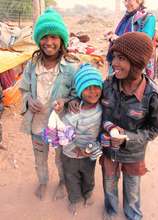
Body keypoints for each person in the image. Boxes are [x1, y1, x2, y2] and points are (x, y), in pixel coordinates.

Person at [100, 32, 158, 220]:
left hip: (133, 153)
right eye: (114, 57)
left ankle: (133, 215)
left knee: (132, 188)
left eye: (121, 58)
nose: (114, 63)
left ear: (137, 63)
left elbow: (155, 128)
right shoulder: (109, 84)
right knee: (109, 183)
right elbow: (96, 108)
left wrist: (127, 138)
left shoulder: (152, 95)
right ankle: (110, 211)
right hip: (108, 150)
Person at [19, 8, 79, 200]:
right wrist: (29, 99)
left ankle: (62, 182)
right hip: (37, 124)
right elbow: (24, 90)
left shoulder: (71, 68)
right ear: (38, 40)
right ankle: (43, 181)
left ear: (61, 40)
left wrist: (66, 101)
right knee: (40, 158)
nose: (48, 42)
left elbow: (77, 96)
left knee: (61, 158)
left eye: (54, 36)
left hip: (60, 125)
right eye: (44, 36)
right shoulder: (32, 65)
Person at [61, 63, 103, 215]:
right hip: (70, 154)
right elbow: (65, 133)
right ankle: (74, 199)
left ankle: (88, 193)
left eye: (96, 86)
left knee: (88, 175)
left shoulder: (102, 108)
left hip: (89, 152)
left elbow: (102, 130)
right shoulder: (74, 110)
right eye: (87, 87)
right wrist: (75, 148)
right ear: (79, 90)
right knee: (71, 177)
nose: (92, 91)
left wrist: (91, 148)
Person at [107, 0, 156, 79]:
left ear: (139, 1)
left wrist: (119, 39)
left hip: (136, 64)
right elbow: (121, 36)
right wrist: (113, 36)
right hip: (120, 62)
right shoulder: (126, 18)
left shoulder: (148, 18)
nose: (126, 3)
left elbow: (145, 43)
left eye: (129, 0)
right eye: (124, 0)